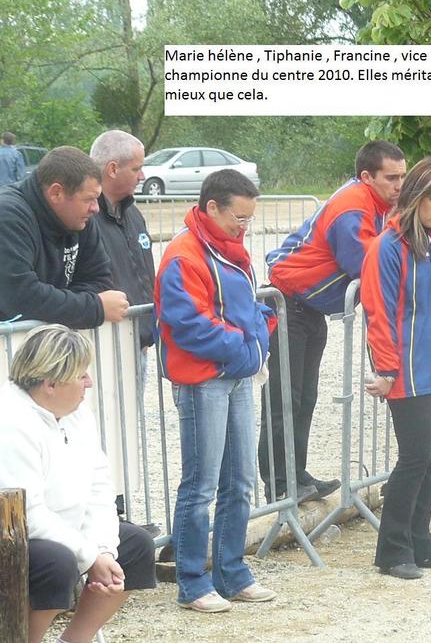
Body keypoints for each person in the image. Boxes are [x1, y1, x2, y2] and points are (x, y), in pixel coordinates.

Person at [154, 169, 277, 612]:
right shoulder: (183, 254)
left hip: (233, 374)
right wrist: (247, 348)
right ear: (211, 207)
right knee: (201, 484)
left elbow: (239, 307)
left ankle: (231, 572)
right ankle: (191, 580)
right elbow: (188, 323)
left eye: (248, 219)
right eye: (238, 218)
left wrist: (261, 325)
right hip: (203, 379)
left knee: (240, 481)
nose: (244, 227)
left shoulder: (228, 247)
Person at [263, 140, 407, 504]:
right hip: (289, 304)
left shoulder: (380, 204)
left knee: (304, 396)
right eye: (391, 178)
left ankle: (296, 474)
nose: (400, 186)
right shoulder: (352, 207)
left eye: (403, 177)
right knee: (285, 397)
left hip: (309, 307)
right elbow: (365, 265)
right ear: (366, 177)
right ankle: (280, 484)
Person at [0, 324, 156, 642]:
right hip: (14, 532)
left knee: (137, 545)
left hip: (63, 528)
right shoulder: (11, 421)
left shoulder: (77, 411)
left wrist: (104, 551)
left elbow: (99, 486)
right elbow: (29, 514)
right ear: (50, 384)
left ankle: (74, 640)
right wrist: (89, 556)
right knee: (58, 562)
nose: (89, 382)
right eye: (80, 375)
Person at [361, 158, 431, 580]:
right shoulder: (386, 247)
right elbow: (378, 310)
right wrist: (385, 367)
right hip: (407, 368)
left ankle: (421, 540)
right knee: (414, 457)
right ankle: (392, 548)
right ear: (416, 196)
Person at [90, 130, 157, 530]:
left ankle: (118, 513)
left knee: (125, 426)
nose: (142, 173)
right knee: (101, 428)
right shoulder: (86, 215)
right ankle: (106, 515)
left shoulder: (132, 211)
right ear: (112, 168)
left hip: (136, 340)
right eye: (136, 167)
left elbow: (143, 270)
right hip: (101, 342)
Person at [0, 146, 129, 327]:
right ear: (56, 193)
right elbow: (19, 297)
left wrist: (58, 306)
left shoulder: (80, 217)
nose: (96, 208)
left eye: (96, 199)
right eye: (88, 199)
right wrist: (94, 307)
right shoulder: (8, 215)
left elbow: (101, 280)